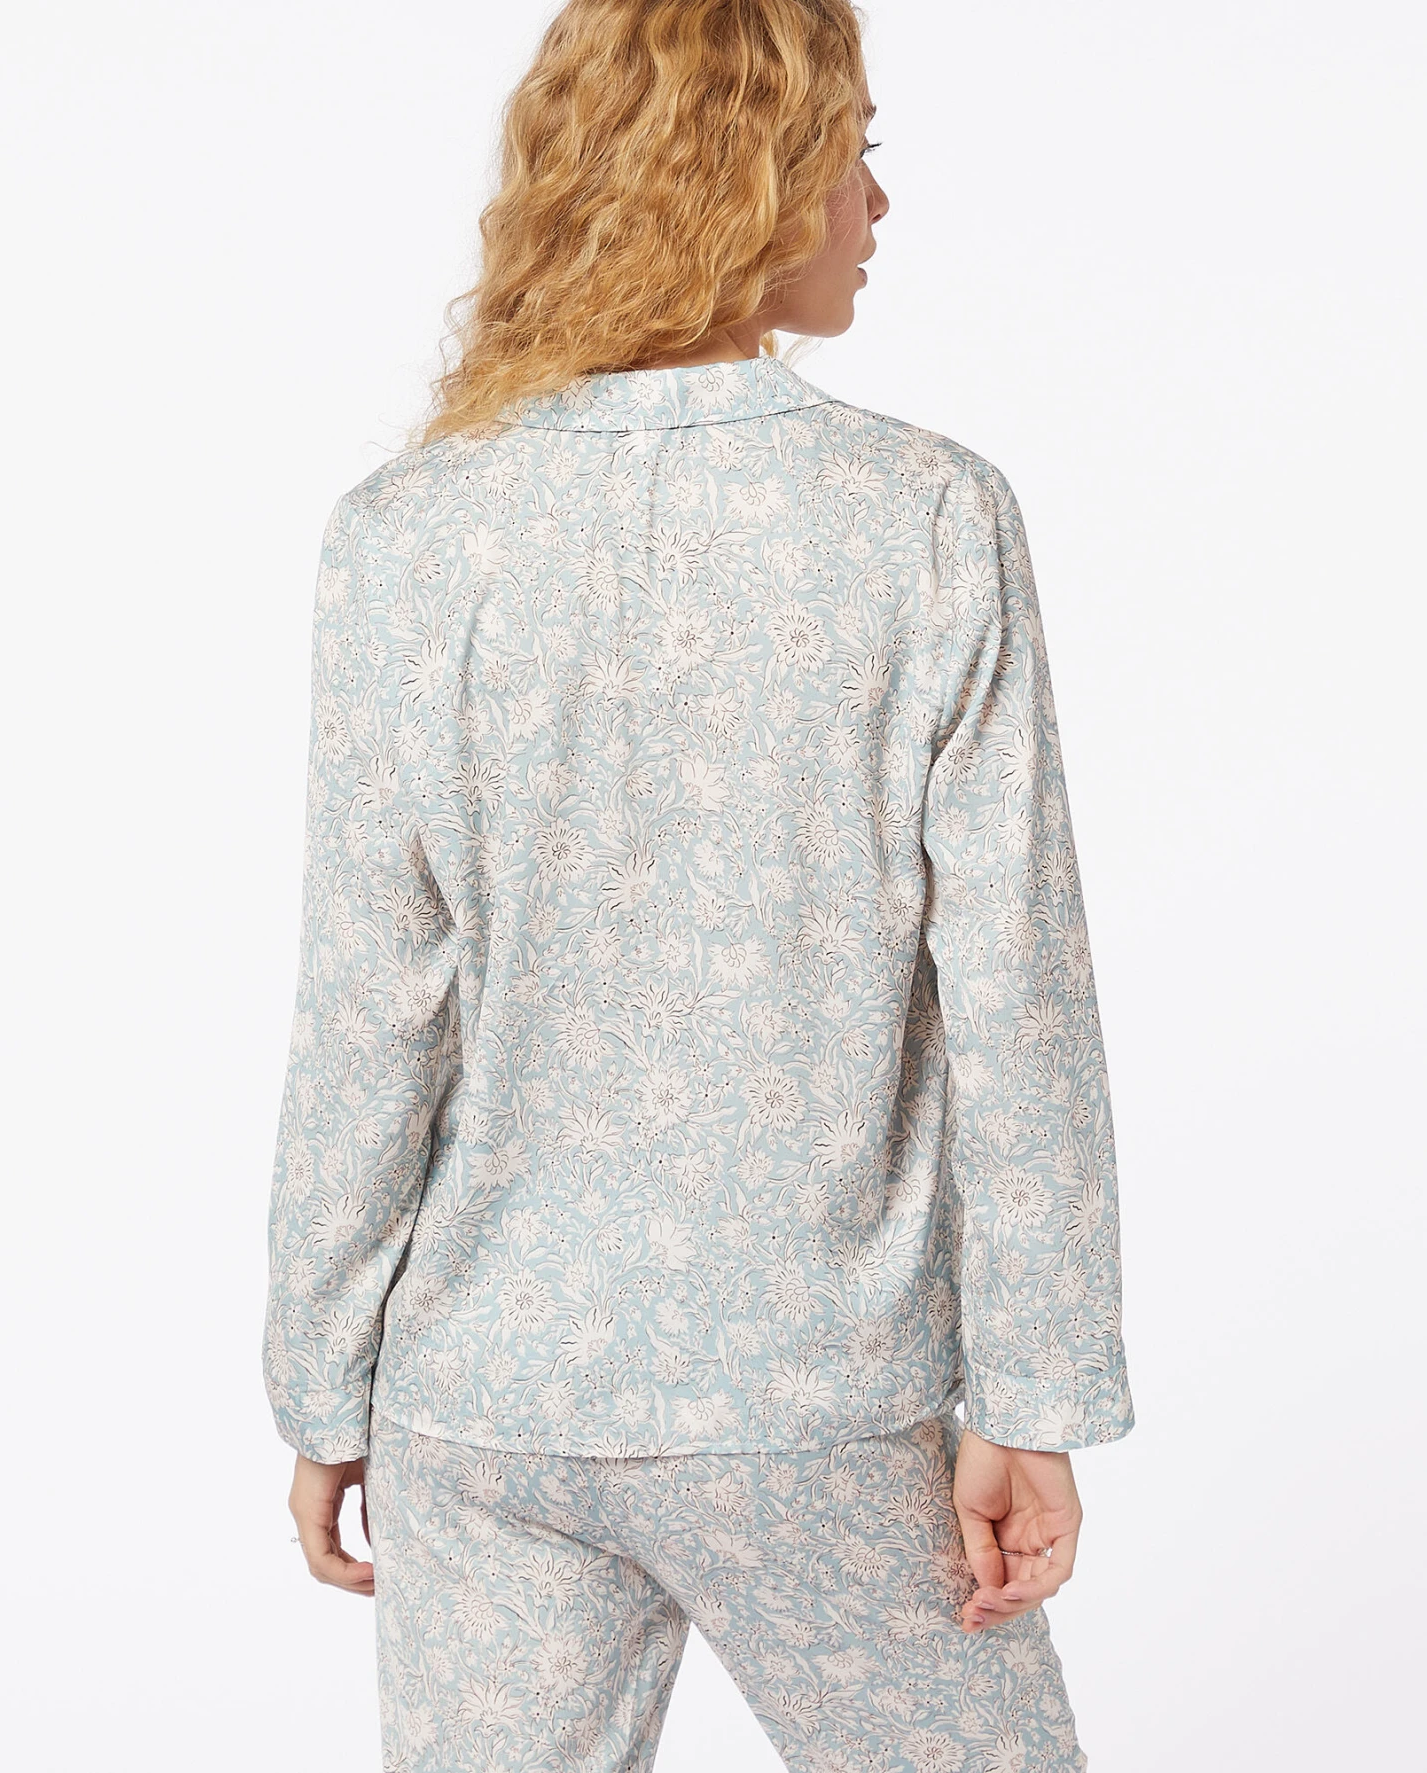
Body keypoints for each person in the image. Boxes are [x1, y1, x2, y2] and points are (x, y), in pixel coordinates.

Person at [263, 0, 1135, 1766]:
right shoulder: (924, 516)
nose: (877, 205)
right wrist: (1033, 1394)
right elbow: (1017, 996)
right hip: (813, 1392)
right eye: (853, 156)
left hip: (482, 1402)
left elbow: (371, 1007)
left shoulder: (407, 533)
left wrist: (322, 1379)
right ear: (754, 178)